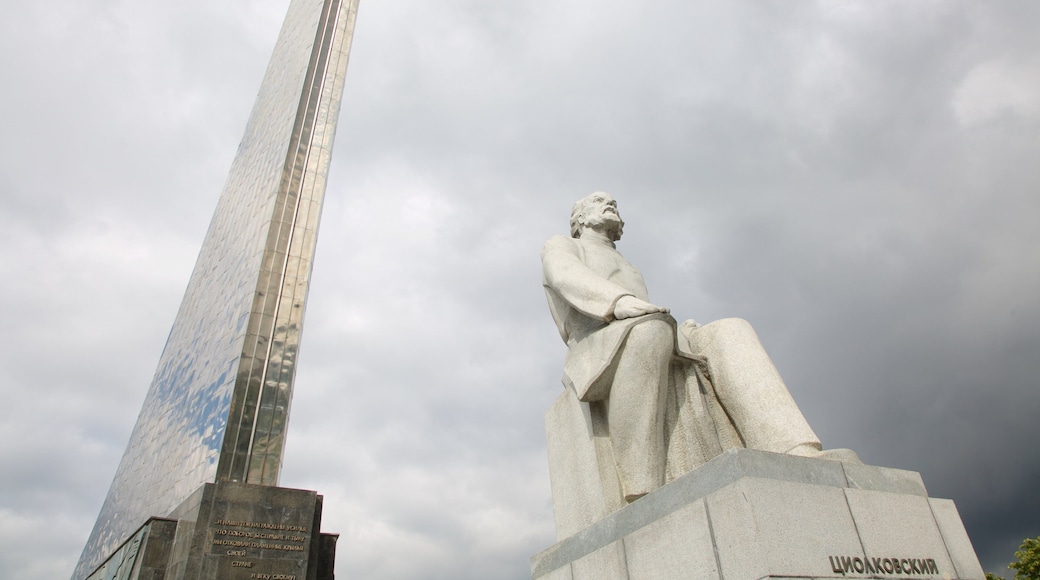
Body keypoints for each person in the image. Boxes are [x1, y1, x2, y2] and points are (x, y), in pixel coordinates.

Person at [541, 192, 858, 502]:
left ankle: (793, 448)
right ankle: (642, 486)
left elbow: (649, 314)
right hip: (596, 344)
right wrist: (618, 302)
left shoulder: (627, 263)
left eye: (612, 201)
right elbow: (565, 275)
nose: (609, 203)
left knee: (729, 329)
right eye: (598, 201)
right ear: (580, 219)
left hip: (650, 330)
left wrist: (680, 332)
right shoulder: (562, 245)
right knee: (651, 330)